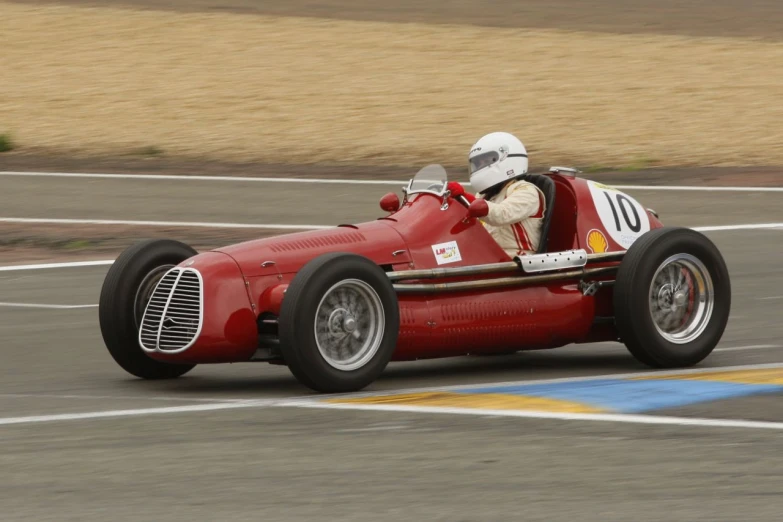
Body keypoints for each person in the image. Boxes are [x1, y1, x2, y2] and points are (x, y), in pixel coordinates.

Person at [447, 132, 546, 257]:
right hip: (490, 255)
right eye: (478, 163)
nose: (480, 166)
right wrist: (460, 198)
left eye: (485, 162)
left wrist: (476, 204)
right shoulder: (487, 194)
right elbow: (476, 210)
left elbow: (502, 214)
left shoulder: (526, 191)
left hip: (516, 259)